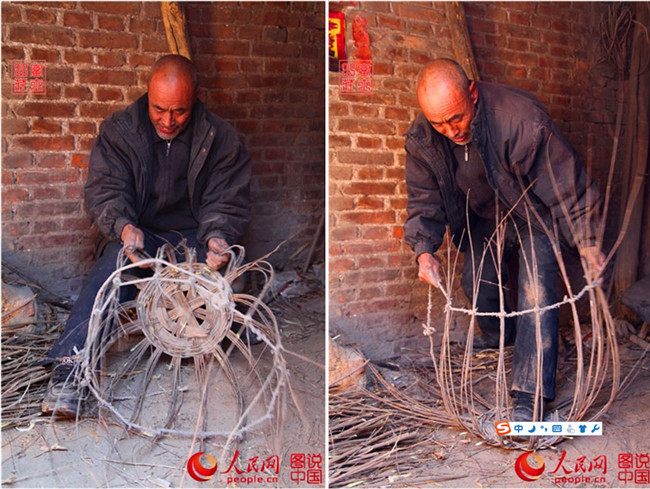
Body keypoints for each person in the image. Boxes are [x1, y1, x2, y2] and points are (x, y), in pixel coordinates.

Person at [42, 54, 252, 417]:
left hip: (195, 238)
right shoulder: (120, 131)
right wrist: (124, 227)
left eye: (179, 112)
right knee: (112, 270)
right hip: (143, 236)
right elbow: (105, 191)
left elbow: (227, 199)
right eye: (159, 109)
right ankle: (69, 371)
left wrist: (218, 238)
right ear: (147, 94)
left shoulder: (222, 138)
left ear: (197, 97)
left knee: (236, 277)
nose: (168, 121)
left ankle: (218, 335)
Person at [403, 59, 605, 422]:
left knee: (536, 293)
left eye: (457, 119)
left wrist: (587, 241)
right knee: (476, 284)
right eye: (439, 123)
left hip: (533, 214)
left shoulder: (520, 121)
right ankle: (506, 341)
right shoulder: (423, 139)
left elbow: (566, 185)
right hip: (486, 216)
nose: (450, 130)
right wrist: (424, 251)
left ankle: (530, 394)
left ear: (474, 94)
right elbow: (424, 197)